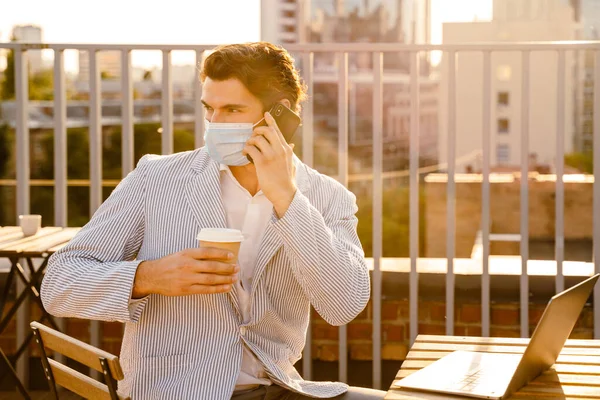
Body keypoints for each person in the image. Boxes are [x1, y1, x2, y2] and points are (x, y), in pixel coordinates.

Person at [41, 42, 385, 399]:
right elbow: (58, 283)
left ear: (280, 115)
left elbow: (344, 304)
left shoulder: (329, 196)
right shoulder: (156, 178)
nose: (215, 124)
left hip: (277, 388)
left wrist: (287, 199)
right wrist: (147, 277)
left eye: (233, 109)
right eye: (210, 109)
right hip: (172, 390)